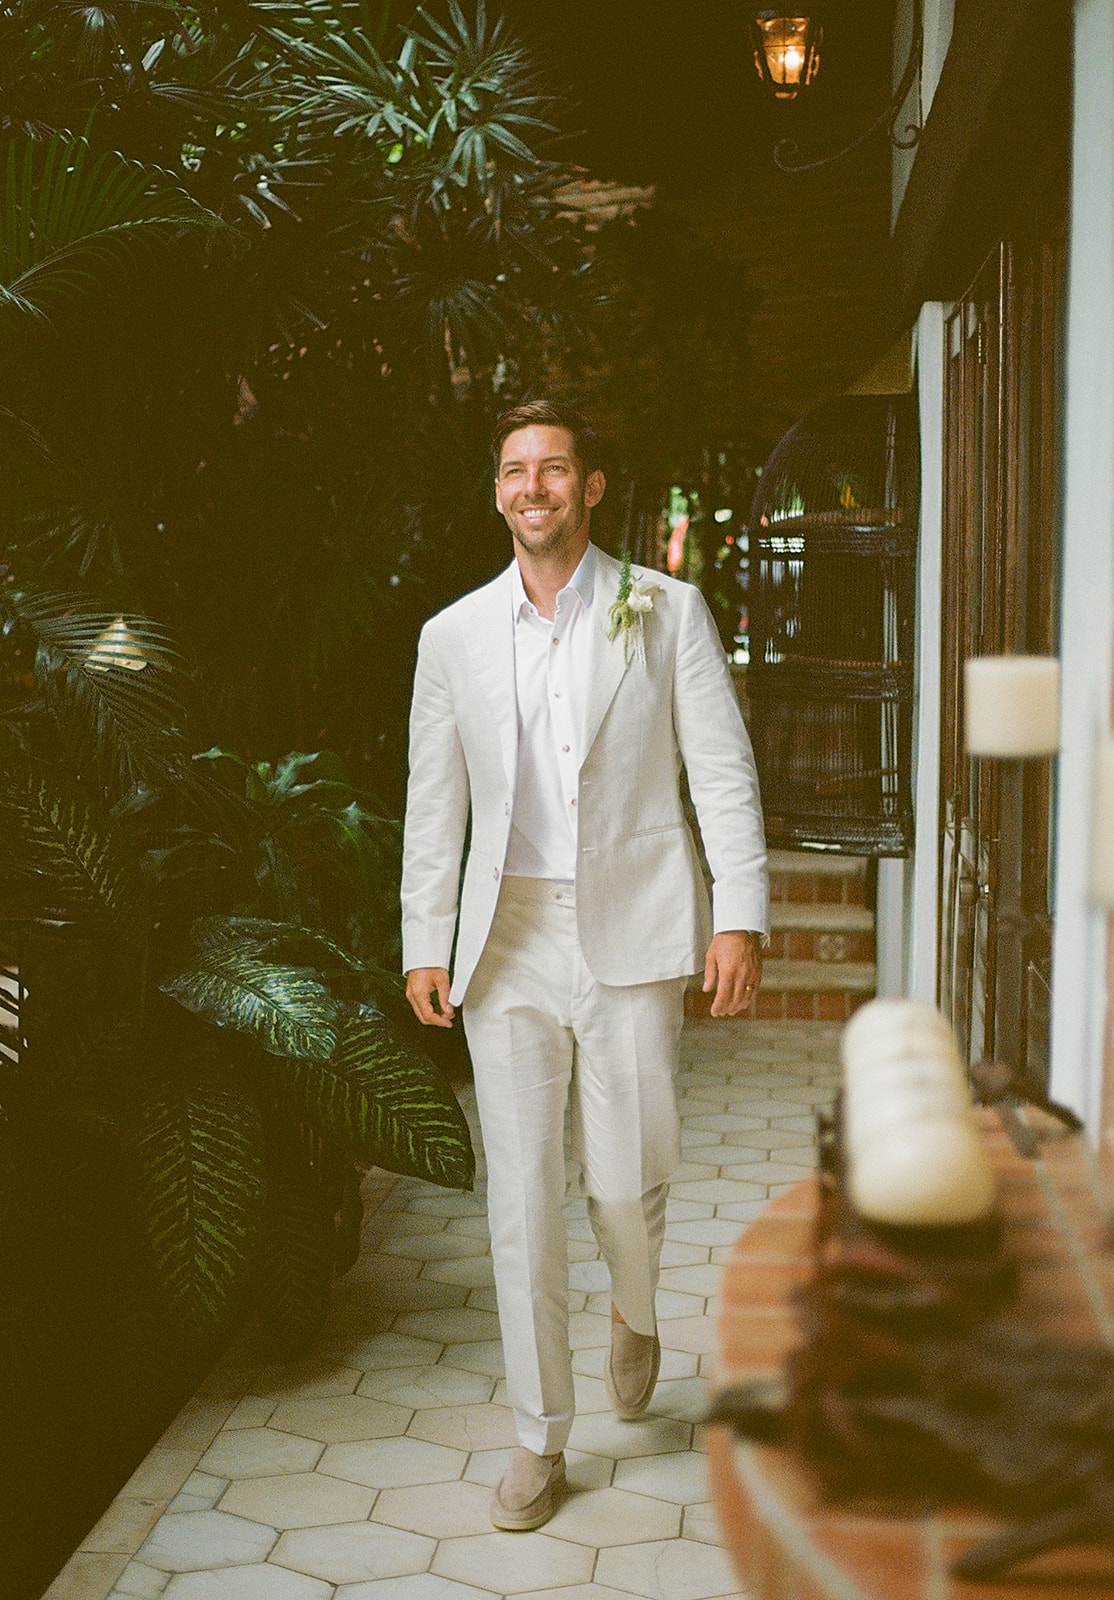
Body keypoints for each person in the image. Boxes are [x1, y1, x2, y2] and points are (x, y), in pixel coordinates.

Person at [402, 399, 768, 1531]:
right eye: (515, 471)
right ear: (496, 492)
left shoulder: (666, 611)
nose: (533, 488)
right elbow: (435, 804)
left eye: (553, 468)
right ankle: (538, 1437)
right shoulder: (452, 636)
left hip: (634, 927)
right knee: (521, 1197)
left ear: (592, 486)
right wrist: (423, 939)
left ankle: (636, 1305)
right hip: (505, 937)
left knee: (624, 1178)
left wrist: (740, 915)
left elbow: (722, 770)